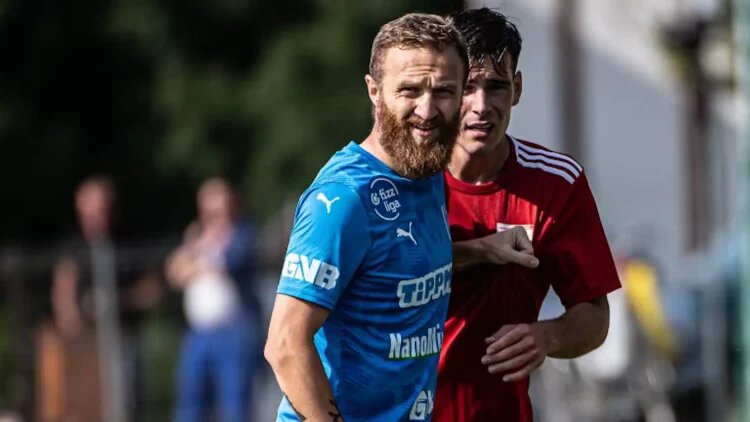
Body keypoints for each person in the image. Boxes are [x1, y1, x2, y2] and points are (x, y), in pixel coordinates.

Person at [263, 13, 537, 422]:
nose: (427, 110)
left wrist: (482, 249)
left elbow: (393, 267)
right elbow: (285, 345)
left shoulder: (425, 170)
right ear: (374, 91)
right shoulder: (343, 199)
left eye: (444, 91)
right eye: (410, 90)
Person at [434, 8, 622, 422]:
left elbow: (595, 316)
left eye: (496, 86)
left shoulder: (555, 184)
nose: (482, 106)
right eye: (467, 87)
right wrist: (480, 250)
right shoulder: (401, 179)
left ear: (516, 89)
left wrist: (547, 336)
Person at [47, 175, 162, 421]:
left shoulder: (128, 242)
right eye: (90, 210)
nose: (96, 216)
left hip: (124, 338)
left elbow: (152, 290)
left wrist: (116, 301)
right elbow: (63, 291)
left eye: (102, 209)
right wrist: (75, 321)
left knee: (128, 402)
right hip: (86, 343)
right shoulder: (73, 246)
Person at [166, 177, 262, 422]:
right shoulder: (197, 236)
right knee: (190, 406)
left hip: (235, 333)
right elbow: (174, 272)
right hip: (198, 333)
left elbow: (228, 262)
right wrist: (199, 252)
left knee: (235, 407)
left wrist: (197, 260)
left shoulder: (244, 233)